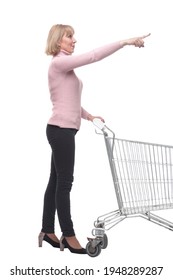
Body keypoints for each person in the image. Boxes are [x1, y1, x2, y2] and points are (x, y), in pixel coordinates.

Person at [38, 24, 150, 254]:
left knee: (55, 181)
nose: (74, 40)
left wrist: (88, 116)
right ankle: (68, 236)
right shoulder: (58, 63)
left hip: (62, 130)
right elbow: (93, 56)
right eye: (70, 36)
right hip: (61, 131)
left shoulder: (64, 68)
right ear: (58, 40)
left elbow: (67, 100)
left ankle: (48, 231)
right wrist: (125, 41)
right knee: (64, 183)